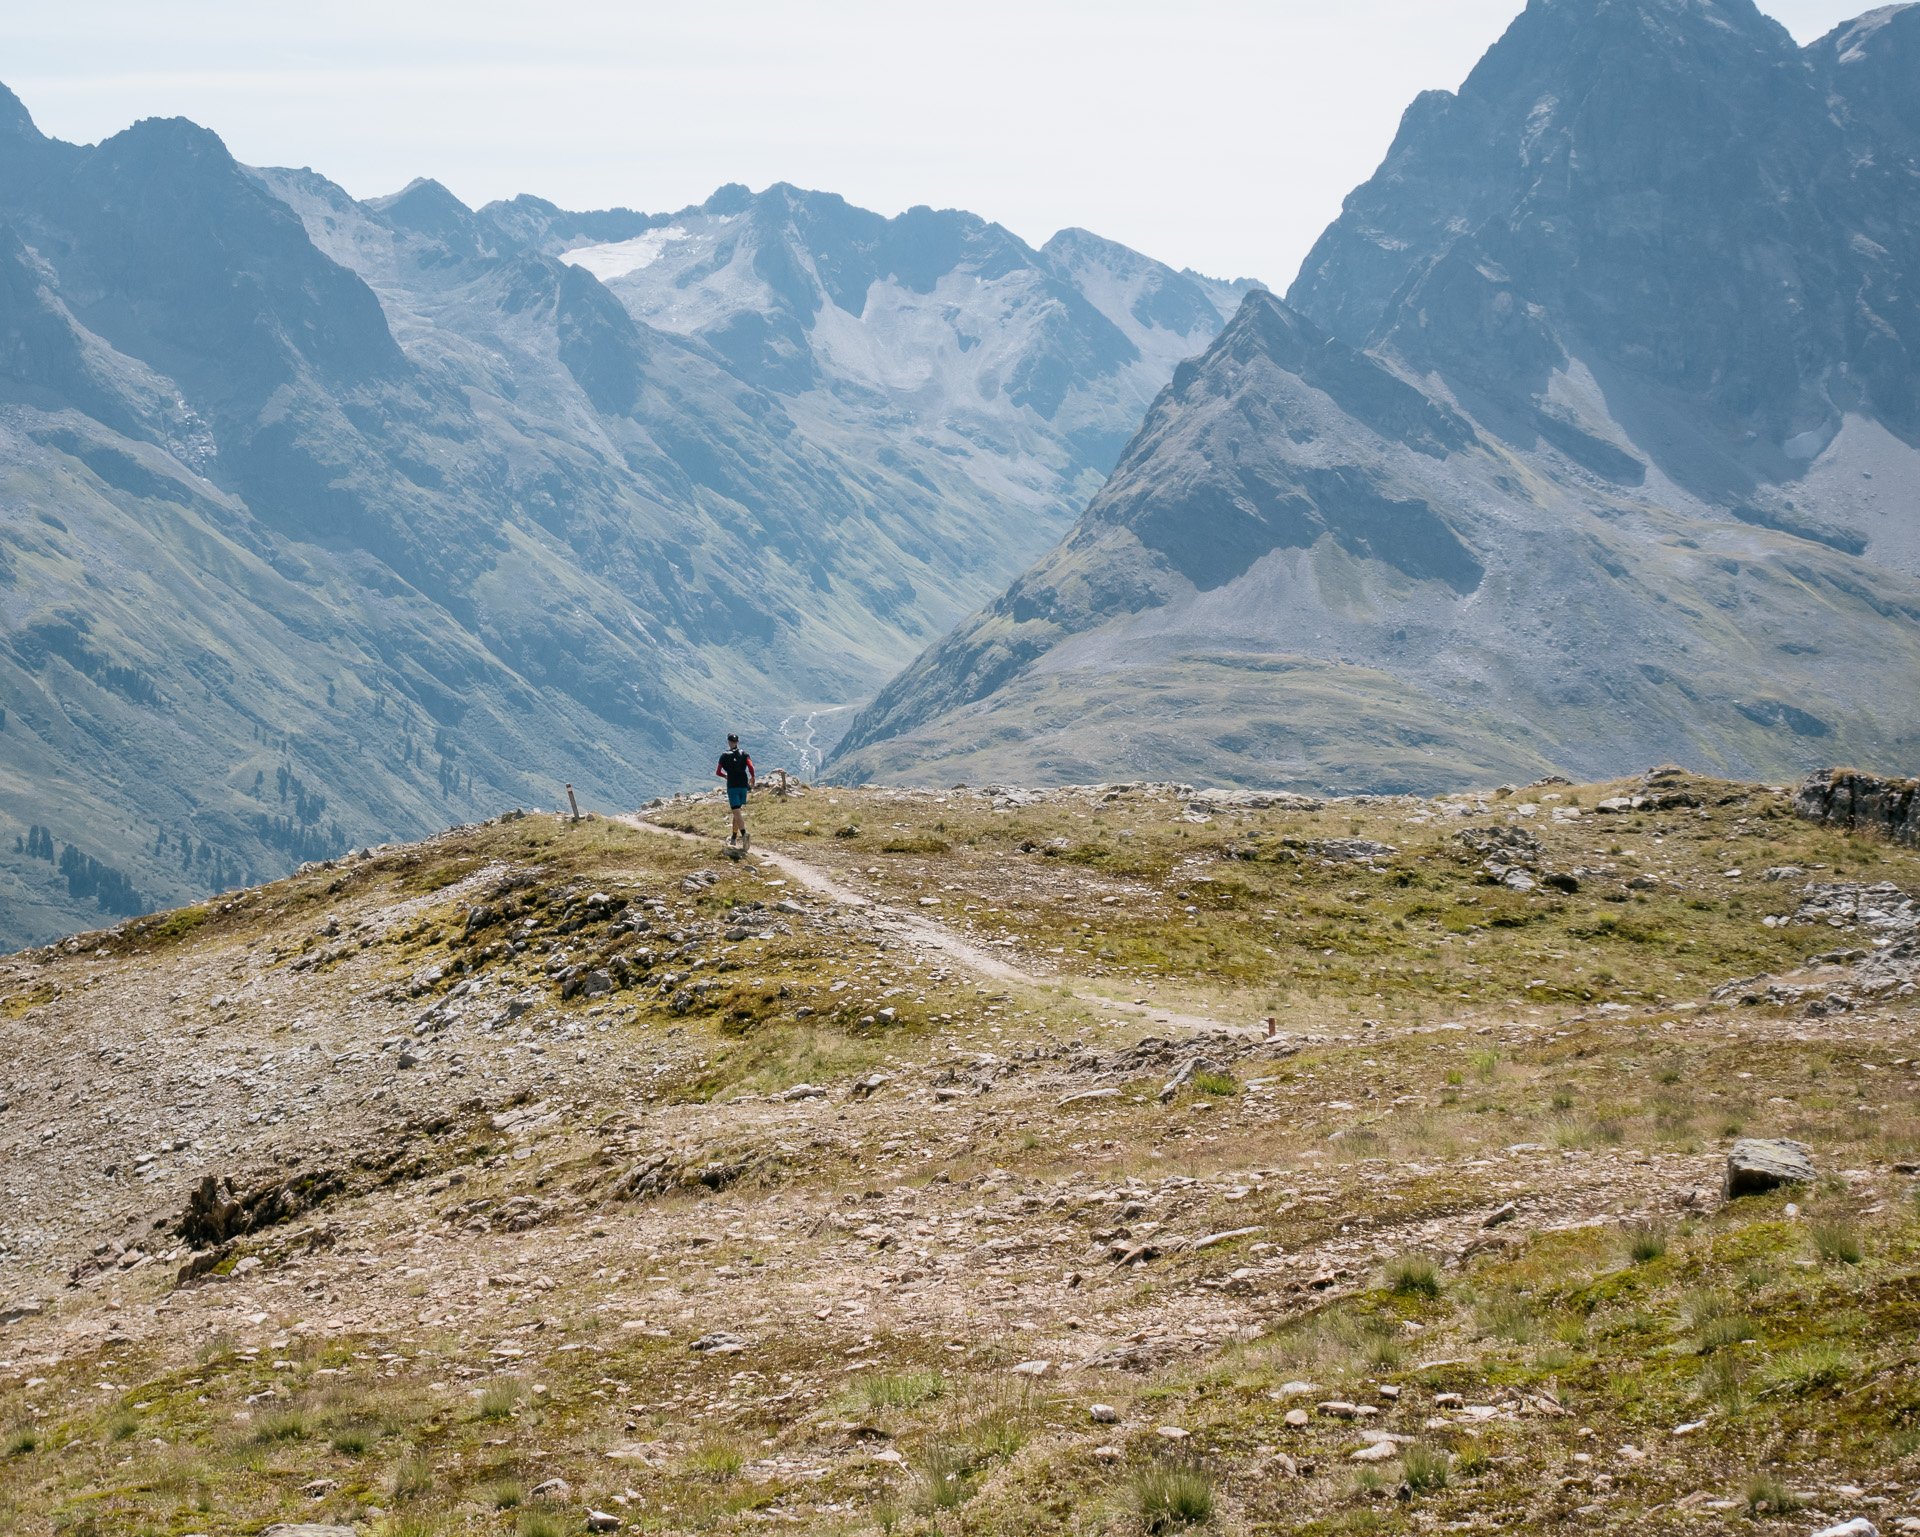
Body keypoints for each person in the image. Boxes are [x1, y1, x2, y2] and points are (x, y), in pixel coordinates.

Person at [715, 733, 756, 848]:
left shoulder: (724, 755)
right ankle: (733, 837)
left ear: (728, 742)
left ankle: (744, 835)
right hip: (743, 785)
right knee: (736, 811)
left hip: (732, 785)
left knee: (736, 812)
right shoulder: (744, 754)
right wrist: (752, 777)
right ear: (737, 742)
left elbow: (718, 772)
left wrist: (725, 776)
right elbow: (751, 767)